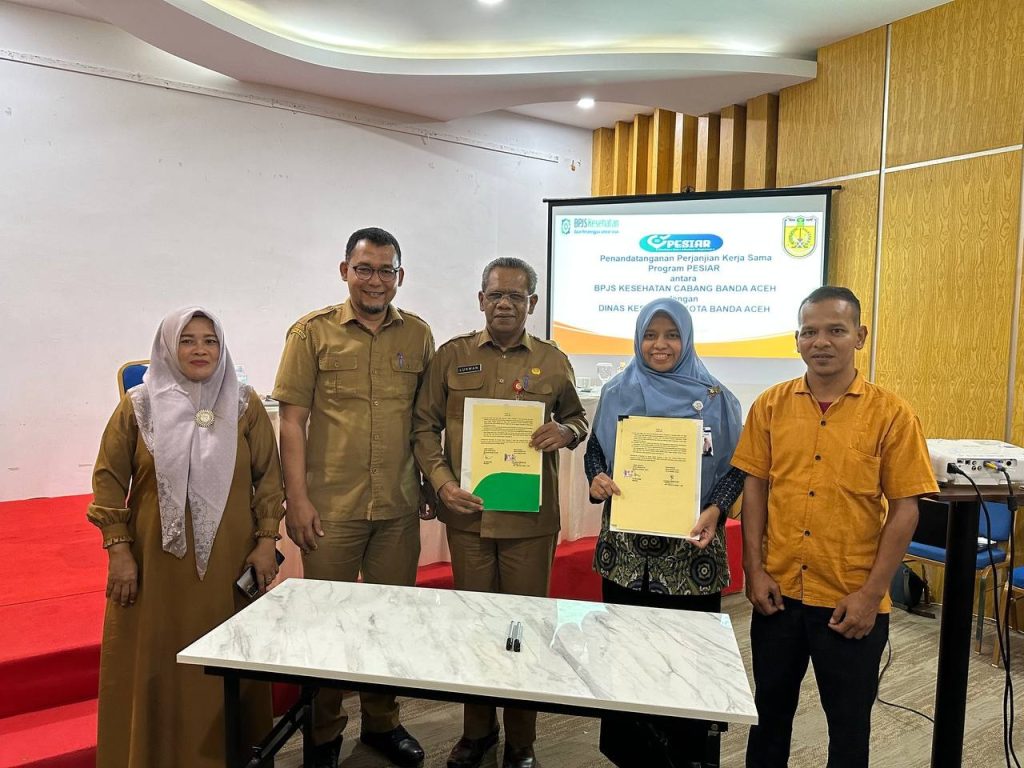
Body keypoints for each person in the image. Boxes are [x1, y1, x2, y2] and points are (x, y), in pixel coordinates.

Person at [732, 286, 938, 768]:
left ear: (860, 336)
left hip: (850, 600)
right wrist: (753, 570)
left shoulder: (892, 414)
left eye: (836, 331)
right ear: (797, 340)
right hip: (778, 594)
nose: (820, 342)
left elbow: (905, 509)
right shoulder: (770, 405)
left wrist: (871, 594)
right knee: (768, 719)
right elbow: (755, 488)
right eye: (810, 332)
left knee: (848, 730)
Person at [88, 307, 284, 768]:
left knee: (226, 659)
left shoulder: (244, 404)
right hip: (156, 568)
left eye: (210, 340)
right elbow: (108, 479)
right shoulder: (140, 405)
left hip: (230, 562)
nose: (200, 349)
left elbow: (269, 479)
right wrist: (119, 550)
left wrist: (265, 541)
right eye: (188, 340)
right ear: (168, 346)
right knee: (160, 660)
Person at [412, 257, 588, 768]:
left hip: (529, 524)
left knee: (522, 630)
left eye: (515, 296)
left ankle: (522, 741)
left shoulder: (552, 361)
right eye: (495, 295)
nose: (504, 304)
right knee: (477, 629)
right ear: (481, 299)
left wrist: (567, 432)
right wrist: (441, 483)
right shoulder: (452, 356)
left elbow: (577, 418)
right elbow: (423, 427)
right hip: (469, 519)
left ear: (532, 303)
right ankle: (477, 732)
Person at [272, 226, 433, 768]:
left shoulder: (418, 335)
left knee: (389, 620)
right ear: (345, 272)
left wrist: (428, 482)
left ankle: (383, 723)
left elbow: (424, 421)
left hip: (397, 507)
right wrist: (296, 499)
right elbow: (291, 422)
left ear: (399, 276)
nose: (375, 280)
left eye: (386, 270)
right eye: (364, 269)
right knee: (327, 625)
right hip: (331, 509)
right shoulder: (311, 333)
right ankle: (324, 735)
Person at [584, 297, 745, 768]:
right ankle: (634, 756)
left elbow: (737, 467)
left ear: (686, 339)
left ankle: (688, 756)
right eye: (651, 335)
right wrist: (596, 478)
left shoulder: (715, 397)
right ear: (638, 339)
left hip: (690, 554)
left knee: (687, 660)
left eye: (672, 335)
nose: (660, 345)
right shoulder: (617, 391)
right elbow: (595, 450)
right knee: (627, 655)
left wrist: (716, 507)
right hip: (627, 556)